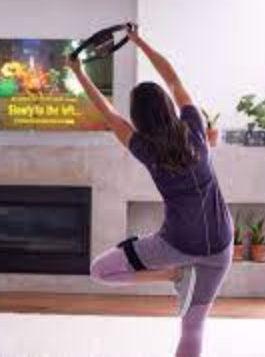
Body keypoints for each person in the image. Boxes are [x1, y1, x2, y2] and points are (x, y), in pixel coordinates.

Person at [67, 29, 233, 357]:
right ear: (168, 107)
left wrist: (77, 71)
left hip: (176, 245)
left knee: (100, 270)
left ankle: (174, 274)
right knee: (194, 328)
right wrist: (139, 41)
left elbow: (107, 114)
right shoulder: (196, 128)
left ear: (138, 119)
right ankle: (178, 274)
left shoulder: (146, 149)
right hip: (221, 244)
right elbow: (172, 78)